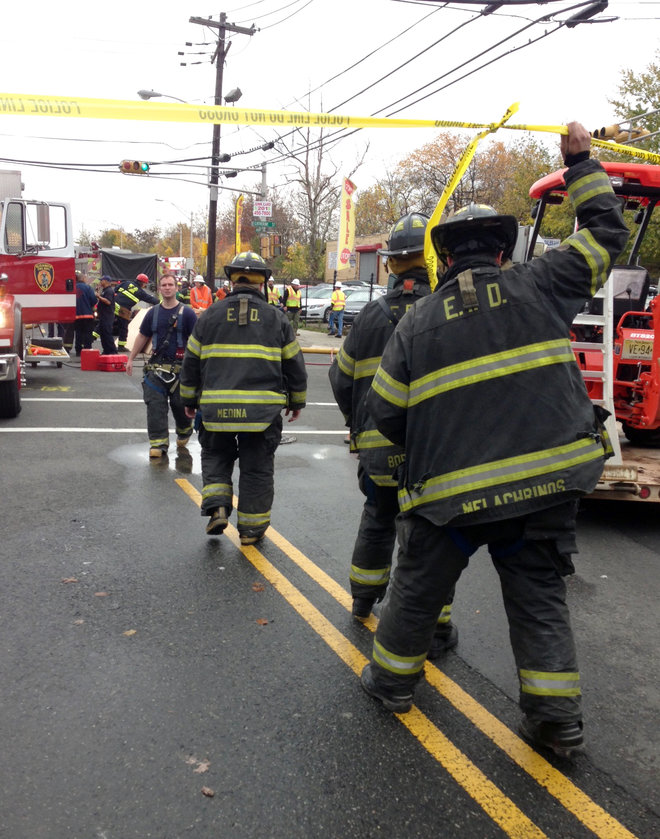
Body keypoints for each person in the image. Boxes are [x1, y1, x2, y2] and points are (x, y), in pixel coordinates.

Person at [359, 122, 630, 759]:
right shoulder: (546, 284)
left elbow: (385, 415)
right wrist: (581, 164)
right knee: (538, 601)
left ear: (446, 261)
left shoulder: (418, 323)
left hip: (451, 500)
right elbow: (608, 235)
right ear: (503, 253)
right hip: (545, 491)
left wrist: (394, 484)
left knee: (418, 589)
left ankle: (393, 684)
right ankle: (556, 721)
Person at [329, 212, 457, 657]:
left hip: (379, 450)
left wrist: (358, 425)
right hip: (432, 454)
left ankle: (363, 599)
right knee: (431, 540)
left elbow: (341, 378)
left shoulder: (369, 317)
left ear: (390, 263)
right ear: (433, 258)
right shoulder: (447, 310)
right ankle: (437, 627)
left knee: (378, 519)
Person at [180, 251, 307, 544]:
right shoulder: (277, 318)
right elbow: (294, 364)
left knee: (215, 457)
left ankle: (218, 508)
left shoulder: (209, 315)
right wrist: (296, 401)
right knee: (257, 469)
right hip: (261, 415)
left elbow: (191, 361)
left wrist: (189, 400)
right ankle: (250, 531)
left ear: (232, 280)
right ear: (263, 283)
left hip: (215, 410)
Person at [126, 273, 197, 458]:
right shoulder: (152, 313)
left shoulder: (187, 313)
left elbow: (197, 341)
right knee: (155, 406)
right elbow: (142, 336)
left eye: (170, 284)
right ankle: (158, 443)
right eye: (164, 285)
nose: (167, 287)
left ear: (176, 288)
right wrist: (130, 358)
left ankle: (184, 429)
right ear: (159, 289)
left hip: (181, 369)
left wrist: (201, 366)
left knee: (180, 405)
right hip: (156, 369)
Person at [114, 273, 159, 352]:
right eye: (145, 283)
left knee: (105, 324)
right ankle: (121, 346)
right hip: (123, 310)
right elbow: (151, 300)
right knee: (123, 328)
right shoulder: (140, 292)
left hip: (113, 306)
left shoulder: (126, 283)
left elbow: (116, 289)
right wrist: (163, 303)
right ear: (143, 283)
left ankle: (92, 337)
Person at [74, 272, 98, 356]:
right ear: (83, 279)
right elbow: (93, 300)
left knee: (78, 333)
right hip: (87, 315)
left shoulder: (73, 287)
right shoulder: (88, 288)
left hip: (76, 315)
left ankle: (78, 350)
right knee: (87, 333)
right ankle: (87, 349)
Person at [95, 275, 118, 355]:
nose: (100, 282)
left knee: (107, 334)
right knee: (103, 335)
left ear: (106, 281)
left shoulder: (109, 291)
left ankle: (113, 351)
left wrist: (99, 297)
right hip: (103, 316)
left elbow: (108, 302)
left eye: (102, 280)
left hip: (107, 316)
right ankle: (106, 351)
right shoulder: (104, 290)